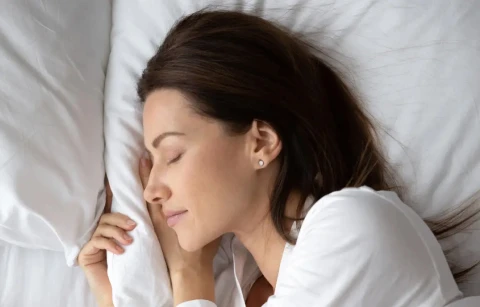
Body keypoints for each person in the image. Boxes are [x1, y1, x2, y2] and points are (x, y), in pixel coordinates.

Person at [78, 10, 479, 307]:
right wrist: (107, 293)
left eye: (172, 154)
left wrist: (189, 274)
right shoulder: (234, 292)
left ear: (261, 142)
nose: (152, 189)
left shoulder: (350, 226)